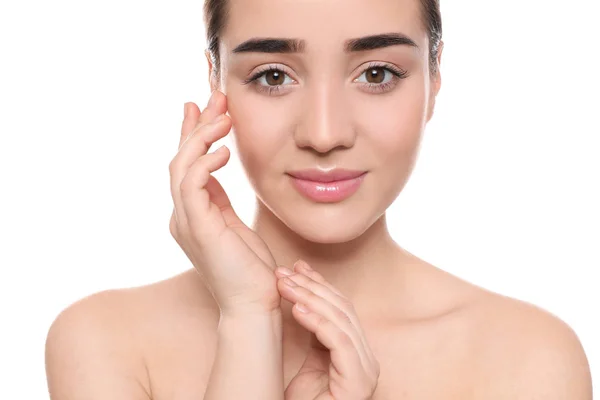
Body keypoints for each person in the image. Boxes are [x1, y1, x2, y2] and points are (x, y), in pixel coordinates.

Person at [44, 0, 593, 398]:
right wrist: (246, 322)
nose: (325, 133)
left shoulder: (530, 360)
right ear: (216, 79)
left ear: (435, 77)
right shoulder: (105, 342)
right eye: (274, 75)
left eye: (377, 73)